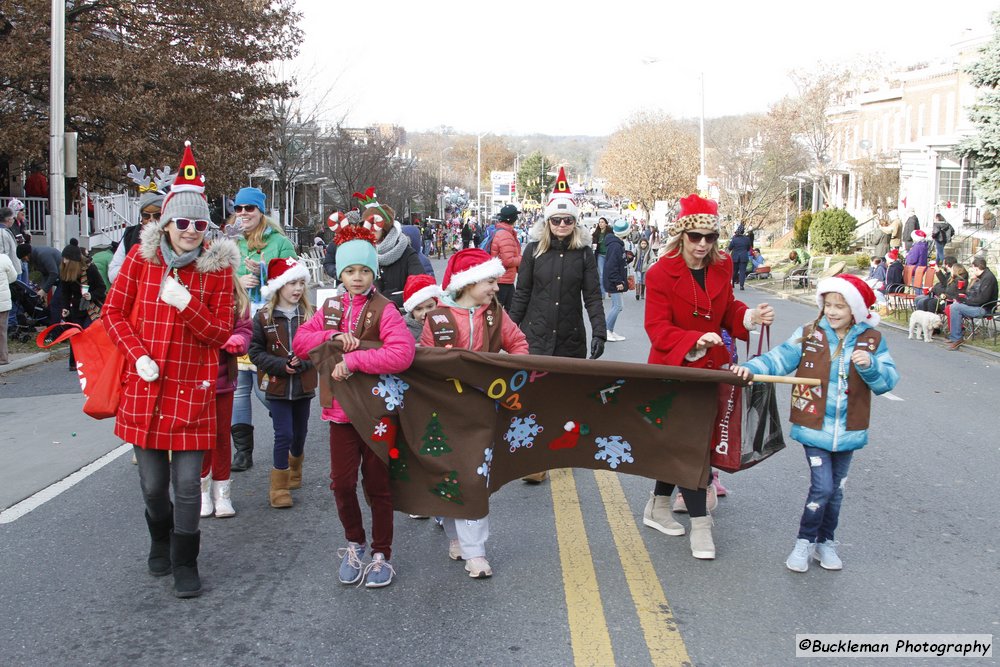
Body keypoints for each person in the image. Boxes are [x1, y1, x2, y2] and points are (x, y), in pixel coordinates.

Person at [102, 142, 236, 598]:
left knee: (185, 487)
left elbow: (220, 333)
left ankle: (185, 562)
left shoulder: (216, 272)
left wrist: (188, 304)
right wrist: (136, 354)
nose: (191, 231)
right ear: (166, 223)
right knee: (153, 485)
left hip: (192, 390)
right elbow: (112, 313)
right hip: (144, 386)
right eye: (182, 222)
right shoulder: (142, 260)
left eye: (200, 224)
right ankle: (159, 540)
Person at [732, 274, 898, 572]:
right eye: (828, 305)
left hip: (849, 430)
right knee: (822, 488)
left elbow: (887, 383)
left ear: (856, 311)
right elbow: (779, 358)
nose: (832, 312)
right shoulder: (810, 333)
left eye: (840, 306)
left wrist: (870, 365)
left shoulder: (872, 340)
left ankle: (826, 542)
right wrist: (748, 369)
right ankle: (804, 541)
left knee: (836, 491)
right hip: (814, 426)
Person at [642, 194, 774, 560]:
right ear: (682, 235)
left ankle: (658, 505)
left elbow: (727, 307)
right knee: (692, 444)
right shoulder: (659, 273)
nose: (703, 244)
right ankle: (701, 525)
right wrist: (694, 340)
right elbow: (656, 327)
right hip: (675, 368)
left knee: (687, 442)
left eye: (710, 237)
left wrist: (749, 317)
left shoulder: (722, 266)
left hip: (713, 369)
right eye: (695, 236)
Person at [292, 224, 415, 589]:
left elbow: (402, 353)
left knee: (377, 485)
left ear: (373, 273)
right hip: (339, 414)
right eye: (349, 271)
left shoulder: (385, 309)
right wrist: (330, 337)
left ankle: (381, 553)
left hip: (375, 413)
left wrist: (358, 357)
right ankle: (355, 543)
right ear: (340, 274)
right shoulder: (329, 307)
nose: (357, 278)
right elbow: (301, 341)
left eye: (363, 271)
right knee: (341, 484)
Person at [421, 248, 529, 577]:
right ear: (468, 284)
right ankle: (456, 536)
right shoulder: (437, 317)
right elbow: (423, 361)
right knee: (450, 475)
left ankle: (475, 551)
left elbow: (518, 345)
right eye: (491, 281)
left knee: (474, 477)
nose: (497, 288)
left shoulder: (495, 313)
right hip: (444, 411)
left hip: (483, 409)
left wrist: (508, 374)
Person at [230, 186, 297, 473]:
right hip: (238, 320)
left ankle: (287, 427)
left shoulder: (280, 242)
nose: (244, 214)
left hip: (270, 323)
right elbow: (215, 277)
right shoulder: (231, 242)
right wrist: (236, 282)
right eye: (239, 208)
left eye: (250, 209)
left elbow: (296, 278)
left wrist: (264, 274)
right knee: (238, 390)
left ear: (261, 211)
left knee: (266, 387)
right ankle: (242, 452)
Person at [250, 258, 317, 508]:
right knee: (284, 434)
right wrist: (281, 365)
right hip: (276, 385)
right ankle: (278, 486)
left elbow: (320, 348)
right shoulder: (263, 317)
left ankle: (295, 469)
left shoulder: (310, 315)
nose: (297, 288)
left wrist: (304, 363)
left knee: (299, 434)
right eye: (291, 283)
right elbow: (255, 352)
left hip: (303, 386)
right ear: (278, 286)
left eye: (301, 283)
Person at [200, 274, 251, 519]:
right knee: (200, 438)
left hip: (223, 380)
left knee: (221, 436)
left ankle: (222, 493)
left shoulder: (235, 299)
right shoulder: (195, 294)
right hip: (195, 379)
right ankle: (202, 491)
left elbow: (244, 328)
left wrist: (239, 340)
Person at [355, 190, 426, 310]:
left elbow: (420, 286)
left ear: (385, 227)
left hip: (400, 315)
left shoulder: (407, 253)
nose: (370, 229)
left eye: (374, 224)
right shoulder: (359, 254)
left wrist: (388, 300)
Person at [50, 239, 107, 370]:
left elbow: (101, 288)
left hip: (91, 306)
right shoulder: (65, 271)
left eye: (66, 259)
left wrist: (91, 295)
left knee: (87, 331)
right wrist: (65, 308)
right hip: (76, 306)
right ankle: (74, 362)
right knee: (75, 333)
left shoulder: (90, 269)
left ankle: (92, 360)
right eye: (63, 259)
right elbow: (65, 293)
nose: (64, 262)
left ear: (74, 261)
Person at [108, 190, 164, 283]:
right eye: (146, 215)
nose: (151, 219)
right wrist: (137, 269)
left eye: (157, 215)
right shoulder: (130, 236)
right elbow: (112, 274)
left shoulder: (174, 235)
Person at [946, 256, 998, 350]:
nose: (972, 271)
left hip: (985, 308)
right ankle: (955, 336)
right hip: (979, 305)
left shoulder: (988, 278)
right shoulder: (983, 276)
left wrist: (965, 301)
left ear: (976, 267)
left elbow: (983, 299)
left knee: (955, 307)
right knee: (955, 306)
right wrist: (964, 298)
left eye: (973, 269)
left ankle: (957, 338)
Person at [603, 219, 631, 342]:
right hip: (614, 280)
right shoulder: (616, 246)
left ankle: (610, 330)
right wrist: (618, 281)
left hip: (614, 279)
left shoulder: (615, 244)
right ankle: (606, 330)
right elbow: (612, 265)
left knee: (617, 306)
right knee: (618, 306)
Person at [491, 204, 522, 310]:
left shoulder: (502, 232)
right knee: (498, 311)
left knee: (510, 309)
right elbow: (508, 261)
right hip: (502, 280)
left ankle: (506, 327)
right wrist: (522, 259)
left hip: (504, 279)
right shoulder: (505, 235)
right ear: (513, 218)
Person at [402, 273, 441, 341]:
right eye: (419, 309)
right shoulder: (405, 331)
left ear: (437, 304)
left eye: (430, 306)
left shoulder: (448, 322)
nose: (425, 313)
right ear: (412, 311)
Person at [0, 251, 17, 364]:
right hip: (3, 301)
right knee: (2, 330)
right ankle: (3, 357)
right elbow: (13, 277)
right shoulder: (4, 259)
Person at [727, 224, 753, 290]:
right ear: (743, 231)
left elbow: (730, 247)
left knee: (734, 271)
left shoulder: (734, 239)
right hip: (744, 256)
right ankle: (741, 286)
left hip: (735, 257)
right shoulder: (747, 239)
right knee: (742, 271)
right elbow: (748, 248)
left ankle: (732, 283)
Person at [592, 217, 611, 295]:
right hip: (600, 255)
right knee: (601, 274)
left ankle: (610, 290)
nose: (600, 223)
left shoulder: (610, 234)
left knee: (609, 273)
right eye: (599, 222)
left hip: (609, 255)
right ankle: (602, 293)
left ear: (606, 224)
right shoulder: (596, 234)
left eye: (602, 222)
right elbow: (593, 245)